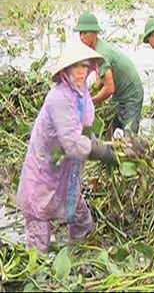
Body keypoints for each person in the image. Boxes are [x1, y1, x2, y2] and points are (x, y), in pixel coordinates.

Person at [16, 42, 116, 253]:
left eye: (84, 67)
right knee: (38, 239)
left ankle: (78, 258)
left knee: (82, 221)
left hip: (67, 171)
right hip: (45, 173)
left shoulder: (83, 96)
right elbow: (71, 142)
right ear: (66, 71)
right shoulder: (58, 98)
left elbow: (86, 129)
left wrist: (101, 143)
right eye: (76, 67)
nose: (80, 72)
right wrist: (99, 152)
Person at [75, 12, 144, 136]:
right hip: (119, 94)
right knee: (110, 127)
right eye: (80, 33)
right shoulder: (95, 49)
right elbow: (103, 78)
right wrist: (90, 91)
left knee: (129, 136)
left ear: (95, 33)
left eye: (85, 33)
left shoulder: (102, 54)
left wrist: (92, 101)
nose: (81, 37)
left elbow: (109, 88)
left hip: (131, 95)